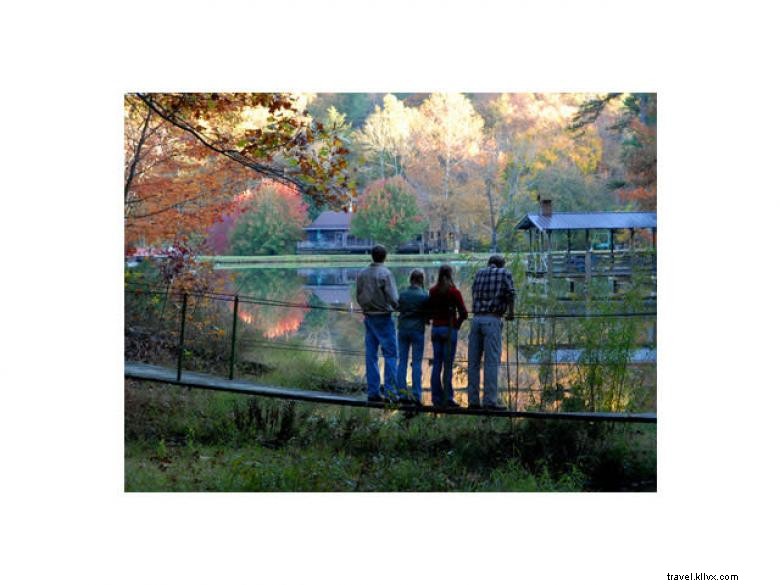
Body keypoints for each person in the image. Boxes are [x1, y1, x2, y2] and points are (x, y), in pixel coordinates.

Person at [467, 255, 515, 410]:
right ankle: (490, 402)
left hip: (476, 320)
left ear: (489, 264)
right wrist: (511, 313)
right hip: (492, 320)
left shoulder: (479, 273)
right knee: (491, 362)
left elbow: (473, 291)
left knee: (473, 363)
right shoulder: (504, 273)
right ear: (501, 265)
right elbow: (511, 293)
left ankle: (473, 401)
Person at [356, 244, 400, 403]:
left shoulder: (362, 273)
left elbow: (358, 295)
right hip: (383, 317)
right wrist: (398, 308)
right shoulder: (385, 274)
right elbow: (394, 298)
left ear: (372, 256)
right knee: (391, 354)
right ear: (385, 256)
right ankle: (390, 391)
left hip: (369, 317)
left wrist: (365, 307)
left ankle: (373, 391)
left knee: (371, 354)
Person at [427, 265, 468, 408]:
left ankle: (435, 398)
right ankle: (448, 398)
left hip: (436, 330)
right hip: (449, 330)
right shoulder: (454, 292)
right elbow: (464, 313)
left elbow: (429, 311)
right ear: (451, 275)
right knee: (448, 366)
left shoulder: (432, 291)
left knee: (437, 364)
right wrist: (456, 326)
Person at [396, 269, 428, 406]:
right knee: (416, 363)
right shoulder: (424, 296)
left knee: (402, 361)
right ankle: (416, 394)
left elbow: (398, 308)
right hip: (417, 331)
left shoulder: (402, 294)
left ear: (410, 279)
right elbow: (427, 315)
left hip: (403, 329)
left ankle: (401, 393)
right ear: (421, 280)